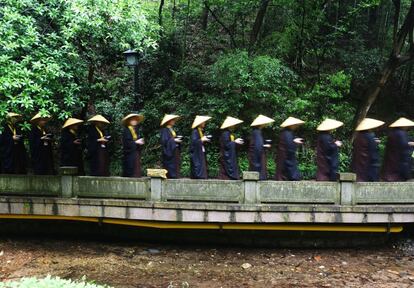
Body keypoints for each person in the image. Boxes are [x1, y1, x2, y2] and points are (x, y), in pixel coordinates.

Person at [351, 118, 384, 182]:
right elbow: (373, 155)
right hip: (367, 171)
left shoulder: (357, 137)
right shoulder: (370, 137)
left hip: (357, 170)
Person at [382, 117, 414, 181]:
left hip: (390, 162)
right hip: (399, 165)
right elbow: (404, 148)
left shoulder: (392, 133)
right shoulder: (401, 134)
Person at [275, 117, 305, 181]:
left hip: (284, 154)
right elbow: (289, 145)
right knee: (288, 168)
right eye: (295, 125)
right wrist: (295, 142)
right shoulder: (287, 133)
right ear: (291, 125)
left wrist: (294, 141)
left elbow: (289, 143)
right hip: (286, 155)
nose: (296, 126)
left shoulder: (286, 132)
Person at [248, 115, 275, 180]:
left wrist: (264, 143)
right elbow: (258, 145)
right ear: (261, 124)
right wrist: (264, 146)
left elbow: (258, 143)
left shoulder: (256, 131)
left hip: (255, 152)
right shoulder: (257, 132)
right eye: (265, 123)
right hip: (256, 153)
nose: (266, 124)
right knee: (259, 168)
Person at [121, 113, 145, 177]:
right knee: (130, 165)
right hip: (129, 152)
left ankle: (137, 175)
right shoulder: (126, 130)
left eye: (135, 120)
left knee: (136, 165)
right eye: (132, 120)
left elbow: (137, 139)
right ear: (129, 121)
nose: (134, 121)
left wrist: (140, 142)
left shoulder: (136, 130)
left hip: (135, 151)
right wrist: (136, 142)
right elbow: (126, 142)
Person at [160, 114, 182, 178]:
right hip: (169, 151)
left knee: (176, 163)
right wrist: (174, 140)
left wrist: (177, 140)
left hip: (174, 150)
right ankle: (171, 175)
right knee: (170, 164)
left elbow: (171, 138)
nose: (173, 121)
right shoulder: (165, 130)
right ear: (168, 121)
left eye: (174, 120)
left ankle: (176, 175)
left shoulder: (171, 129)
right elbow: (164, 141)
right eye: (172, 120)